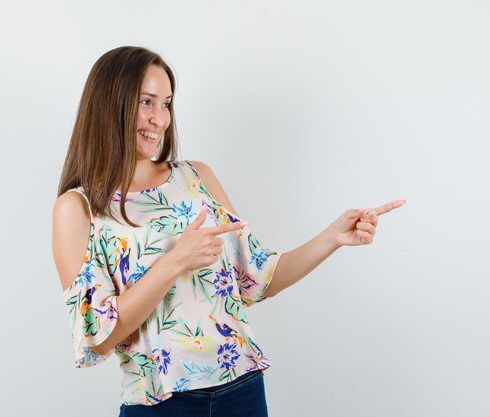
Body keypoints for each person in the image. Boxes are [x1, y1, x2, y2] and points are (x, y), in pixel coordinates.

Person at [52, 45, 406, 417]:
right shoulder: (78, 207)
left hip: (242, 389)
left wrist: (333, 236)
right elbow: (98, 334)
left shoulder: (197, 177)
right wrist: (174, 262)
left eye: (167, 104)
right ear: (110, 104)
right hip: (160, 403)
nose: (160, 118)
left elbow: (258, 279)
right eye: (146, 101)